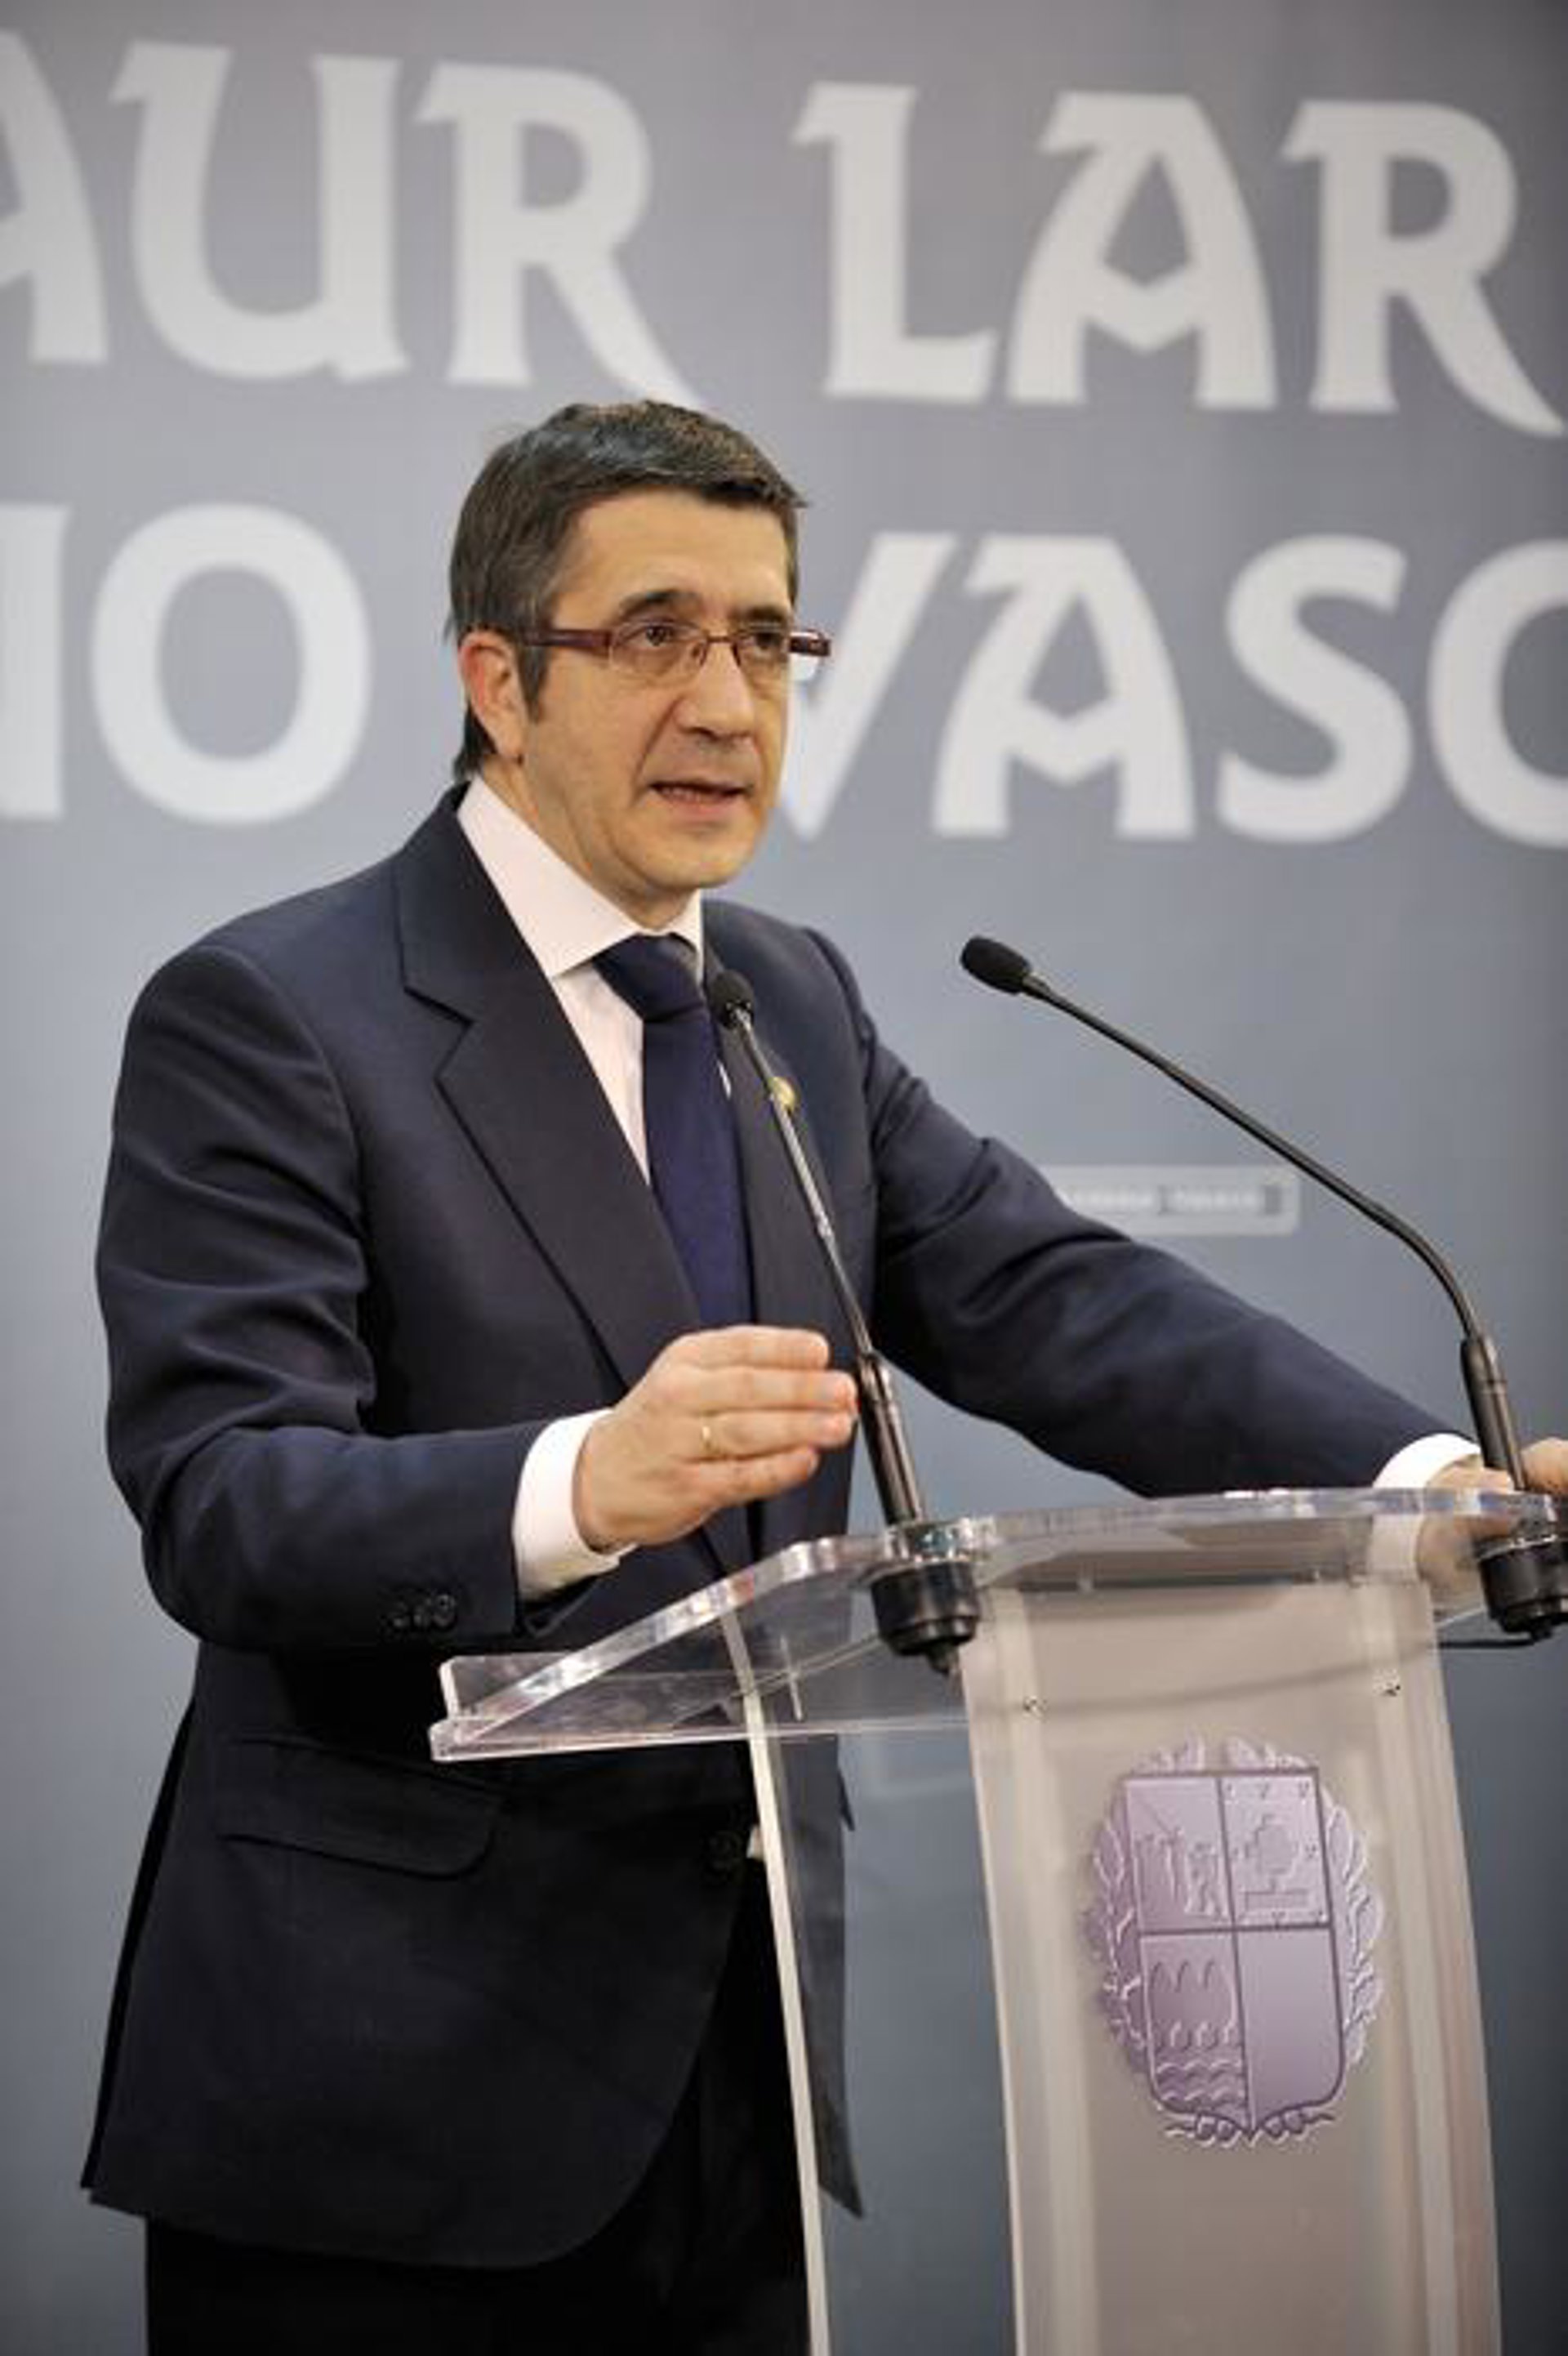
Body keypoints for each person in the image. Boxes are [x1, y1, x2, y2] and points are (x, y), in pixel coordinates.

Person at [86, 399, 1567, 2353]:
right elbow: (224, 1497)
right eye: (656, 634)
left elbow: (1050, 1295)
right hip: (384, 2095)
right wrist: (576, 1482)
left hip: (742, 2083)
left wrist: (1426, 1485)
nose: (727, 700)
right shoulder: (276, 1011)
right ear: (501, 682)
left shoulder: (784, 997)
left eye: (768, 639)